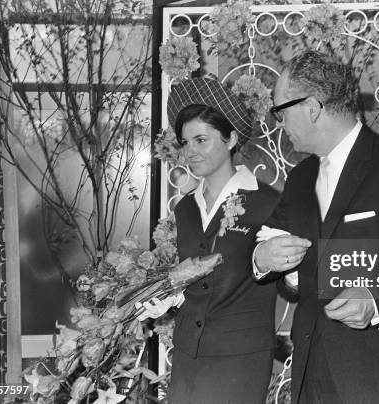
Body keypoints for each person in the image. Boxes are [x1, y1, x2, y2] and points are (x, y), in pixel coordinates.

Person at [253, 51, 379, 403]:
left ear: (312, 108)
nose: (279, 123)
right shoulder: (300, 178)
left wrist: (375, 298)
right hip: (310, 377)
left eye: (280, 110)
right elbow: (283, 265)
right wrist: (263, 257)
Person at [142, 78, 280, 403]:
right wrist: (163, 294)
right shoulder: (187, 207)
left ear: (231, 138)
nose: (190, 151)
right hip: (189, 352)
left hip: (240, 359)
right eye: (185, 142)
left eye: (201, 140)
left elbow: (286, 282)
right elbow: (194, 281)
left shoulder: (268, 203)